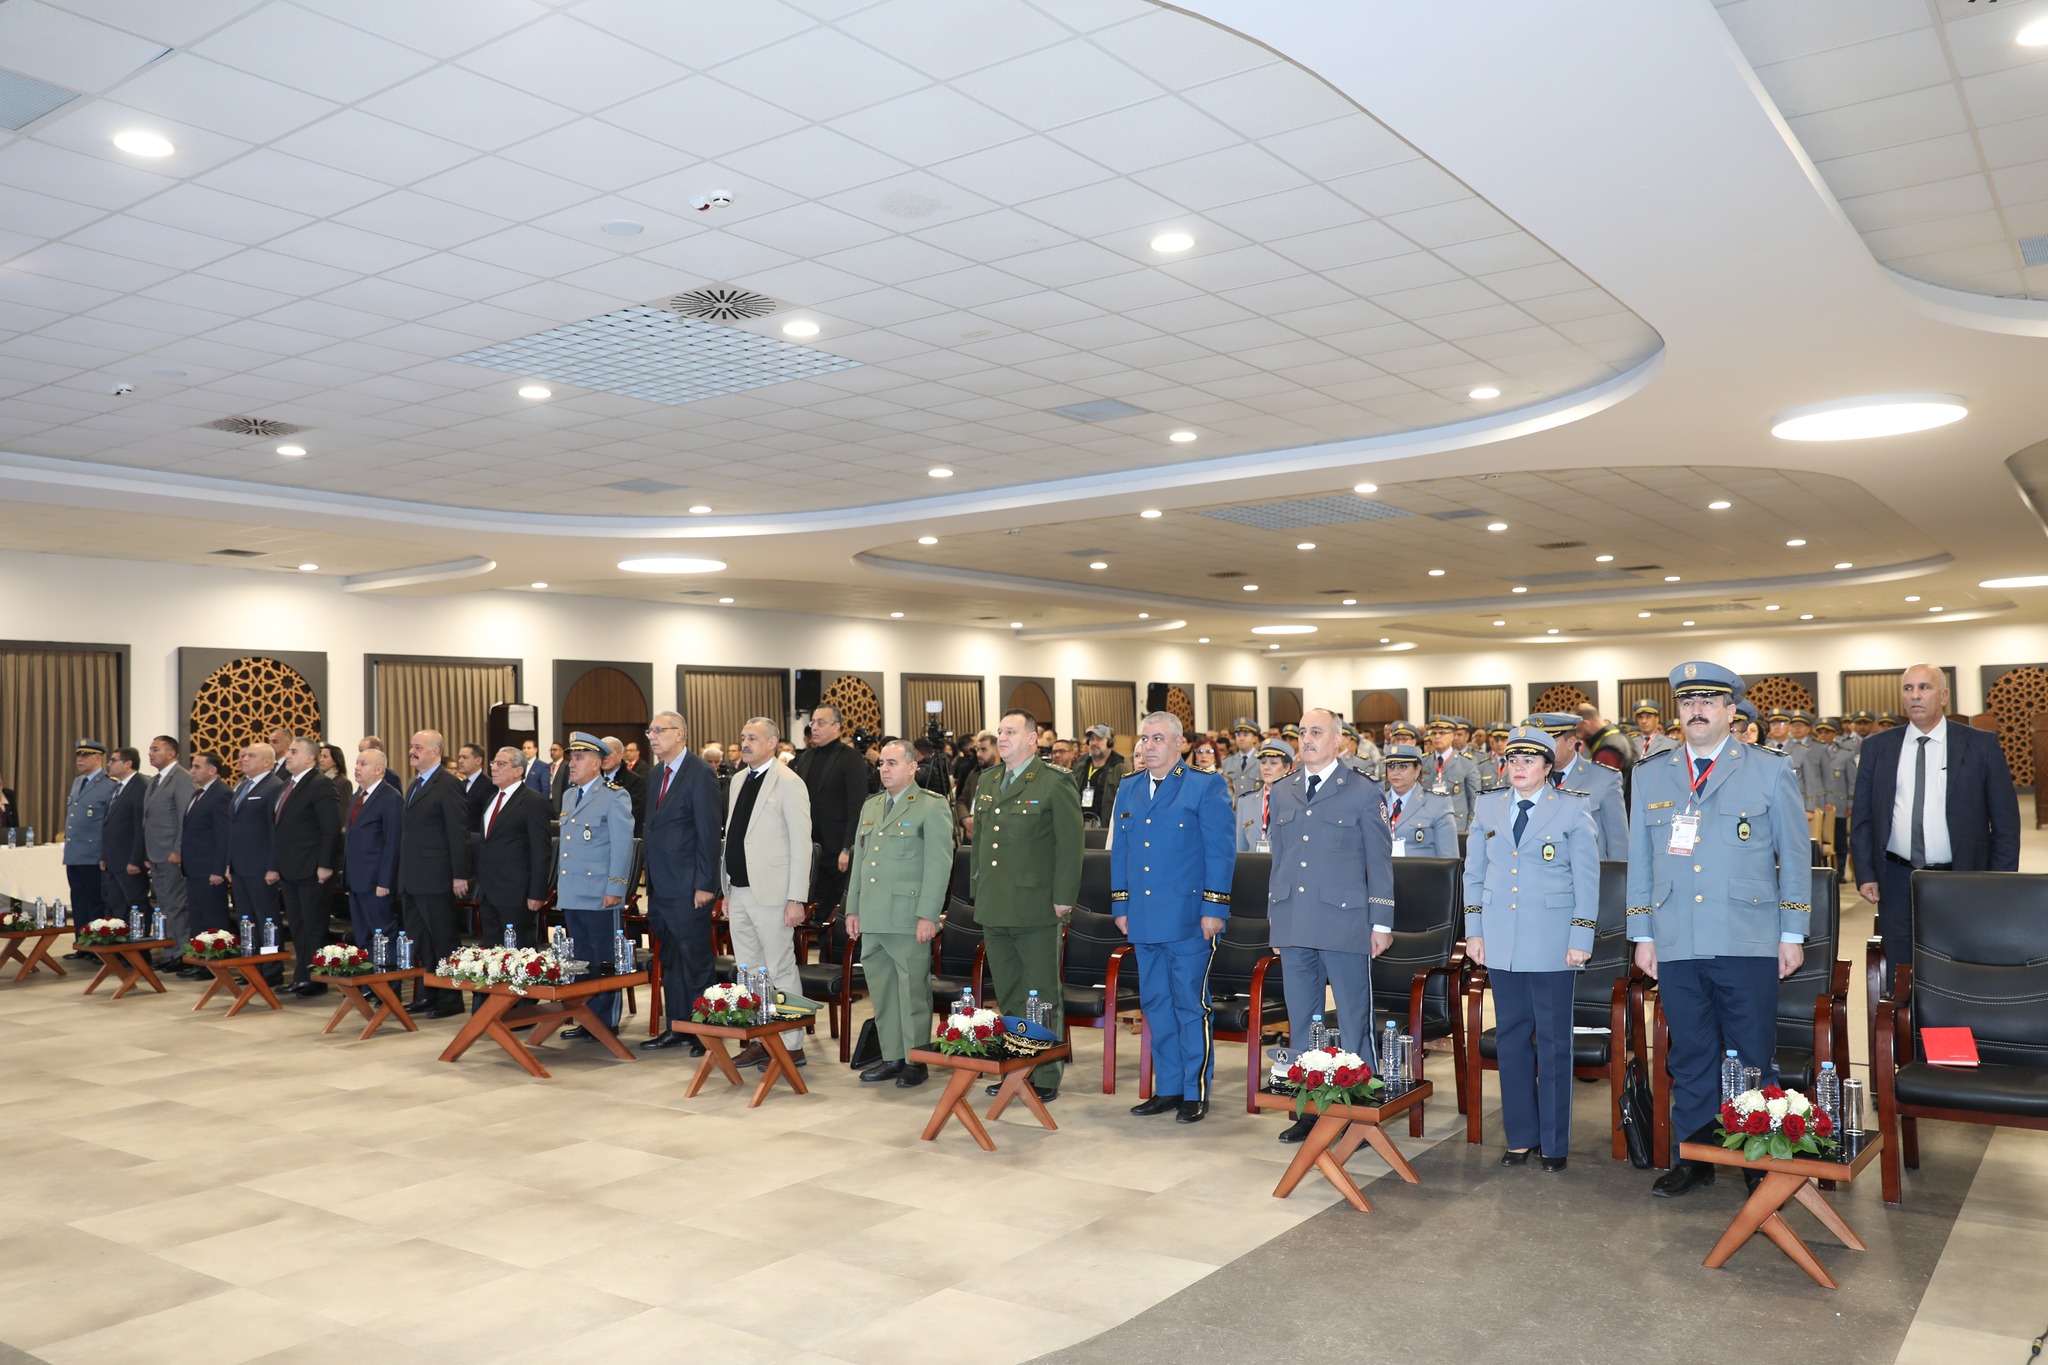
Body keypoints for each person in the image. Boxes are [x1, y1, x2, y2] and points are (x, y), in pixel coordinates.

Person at [1628, 661, 1809, 1198]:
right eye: (1687, 702)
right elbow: (1641, 861)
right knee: (1690, 1054)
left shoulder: (1769, 769)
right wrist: (1642, 933)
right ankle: (1696, 1157)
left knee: (1752, 1053)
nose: (1697, 711)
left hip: (1746, 934)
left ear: (1732, 711)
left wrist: (1792, 932)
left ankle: (1760, 1160)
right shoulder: (1650, 773)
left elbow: (1795, 856)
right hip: (1676, 934)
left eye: (1708, 701)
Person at [1464, 726, 1600, 1172]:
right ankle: (1521, 1136)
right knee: (1511, 1038)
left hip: (1553, 943)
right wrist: (1475, 931)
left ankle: (1554, 1143)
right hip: (1500, 940)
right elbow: (1474, 874)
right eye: (1512, 759)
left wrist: (1581, 938)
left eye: (1528, 760)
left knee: (1555, 1041)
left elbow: (1587, 879)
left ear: (1547, 766)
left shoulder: (1572, 808)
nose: (1518, 767)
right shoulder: (1488, 805)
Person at [1266, 708, 1396, 1143]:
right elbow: (1279, 861)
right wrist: (1276, 921)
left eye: (1316, 732)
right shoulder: (1283, 791)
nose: (1306, 739)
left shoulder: (1363, 790)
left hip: (1345, 922)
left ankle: (1358, 1116)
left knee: (1354, 1020)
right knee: (1303, 1020)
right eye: (1302, 732)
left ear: (1338, 741)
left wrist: (1381, 922)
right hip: (1295, 920)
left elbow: (1379, 862)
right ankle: (1310, 1112)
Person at [1851, 663, 2020, 989]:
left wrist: (1999, 881)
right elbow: (1863, 817)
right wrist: (1866, 872)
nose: (1915, 695)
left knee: (1959, 966)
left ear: (1943, 695)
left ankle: (1954, 1021)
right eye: (1908, 688)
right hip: (1896, 877)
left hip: (1962, 876)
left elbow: (2005, 823)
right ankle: (1906, 1022)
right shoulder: (1877, 747)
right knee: (1901, 970)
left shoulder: (1980, 744)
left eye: (1924, 687)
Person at [1112, 712, 1234, 1124]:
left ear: (1179, 744)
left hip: (1188, 919)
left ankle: (1194, 1090)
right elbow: (1122, 853)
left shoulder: (1204, 785)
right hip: (1144, 918)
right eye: (1145, 738)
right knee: (1156, 1004)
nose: (1148, 746)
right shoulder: (1129, 787)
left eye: (1158, 738)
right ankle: (1167, 1087)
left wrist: (1214, 909)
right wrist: (1121, 905)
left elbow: (1220, 852)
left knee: (1189, 1004)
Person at [970, 708, 1082, 1102]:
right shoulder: (988, 779)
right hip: (995, 903)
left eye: (1011, 732)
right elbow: (980, 842)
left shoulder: (1054, 781)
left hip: (1036, 906)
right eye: (1000, 732)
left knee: (1040, 993)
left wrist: (1063, 898)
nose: (1002, 738)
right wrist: (977, 889)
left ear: (1033, 739)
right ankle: (1017, 1068)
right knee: (1009, 993)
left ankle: (1045, 1073)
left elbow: (1070, 845)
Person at [847, 738, 952, 1088]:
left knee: (912, 992)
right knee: (882, 991)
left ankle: (916, 1060)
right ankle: (892, 1056)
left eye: (892, 763)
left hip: (908, 916)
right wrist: (853, 909)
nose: (884, 769)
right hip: (874, 915)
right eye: (881, 763)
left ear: (912, 767)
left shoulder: (930, 806)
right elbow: (861, 863)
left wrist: (929, 915)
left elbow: (939, 865)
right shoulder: (872, 805)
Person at [722, 717, 813, 1069]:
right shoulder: (738, 779)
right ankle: (762, 1038)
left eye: (753, 738)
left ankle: (791, 1044)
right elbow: (734, 836)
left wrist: (796, 898)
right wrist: (726, 889)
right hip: (740, 889)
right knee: (749, 971)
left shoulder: (789, 782)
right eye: (743, 737)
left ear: (772, 742)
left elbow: (801, 844)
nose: (745, 743)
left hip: (774, 893)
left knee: (780, 969)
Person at [639, 712, 722, 1057]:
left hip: (689, 886)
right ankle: (678, 1026)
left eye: (659, 730)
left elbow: (708, 832)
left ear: (680, 734)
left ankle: (706, 1033)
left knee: (696, 960)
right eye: (650, 730)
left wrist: (705, 884)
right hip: (660, 885)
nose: (652, 736)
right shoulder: (656, 773)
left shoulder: (699, 772)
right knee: (672, 959)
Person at [555, 733, 636, 1039]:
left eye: (579, 758)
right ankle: (585, 1018)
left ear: (597, 764)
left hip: (600, 892)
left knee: (604, 959)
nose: (572, 764)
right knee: (581, 959)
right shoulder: (569, 795)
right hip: (573, 891)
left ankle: (605, 1022)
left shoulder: (615, 796)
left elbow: (622, 847)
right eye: (571, 758)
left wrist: (616, 887)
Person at [397, 730, 469, 1018]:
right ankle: (429, 993)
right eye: (411, 746)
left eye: (418, 747)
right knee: (421, 938)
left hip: (436, 876)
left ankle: (450, 999)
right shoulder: (414, 784)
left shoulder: (448, 784)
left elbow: (458, 832)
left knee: (443, 939)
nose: (412, 751)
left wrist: (460, 874)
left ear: (435, 751)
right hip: (412, 877)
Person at [270, 739, 340, 996]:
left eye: (294, 751)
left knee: (313, 926)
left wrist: (325, 865)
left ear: (310, 758)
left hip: (312, 869)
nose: (287, 756)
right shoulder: (288, 785)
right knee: (298, 926)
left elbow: (331, 829)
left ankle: (316, 980)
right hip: (291, 869)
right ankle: (301, 977)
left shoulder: (320, 784)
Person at [792, 705, 867, 920]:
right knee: (811, 907)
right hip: (809, 847)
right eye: (813, 723)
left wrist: (847, 848)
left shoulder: (851, 758)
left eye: (821, 723)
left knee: (834, 911)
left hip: (837, 850)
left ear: (837, 727)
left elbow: (857, 807)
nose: (814, 727)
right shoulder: (805, 758)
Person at [476, 746, 549, 955]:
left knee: (519, 956)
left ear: (518, 770)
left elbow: (541, 851)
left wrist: (537, 893)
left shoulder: (533, 801)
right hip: (489, 891)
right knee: (492, 955)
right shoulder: (492, 799)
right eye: (493, 763)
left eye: (501, 764)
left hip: (517, 894)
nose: (494, 768)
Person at [1529, 713, 1627, 860]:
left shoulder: (1604, 779)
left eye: (1550, 742)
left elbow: (1619, 844)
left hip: (1587, 871)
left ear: (1570, 743)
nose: (1543, 749)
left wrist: (1616, 874)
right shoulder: (1531, 780)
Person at [225, 743, 284, 972]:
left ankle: (270, 967)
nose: (244, 759)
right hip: (240, 866)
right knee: (246, 920)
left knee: (266, 919)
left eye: (251, 756)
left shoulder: (274, 786)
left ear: (267, 762)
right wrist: (229, 862)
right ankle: (251, 966)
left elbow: (275, 830)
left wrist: (273, 866)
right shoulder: (243, 785)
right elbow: (233, 828)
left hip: (261, 867)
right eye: (244, 755)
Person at [176, 750, 232, 976]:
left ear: (212, 770)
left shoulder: (221, 794)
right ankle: (200, 963)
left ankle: (216, 964)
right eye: (192, 766)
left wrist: (218, 869)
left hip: (210, 869)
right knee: (198, 918)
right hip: (195, 868)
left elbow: (223, 835)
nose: (192, 770)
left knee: (213, 918)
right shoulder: (198, 793)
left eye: (197, 766)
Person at [141, 735, 194, 970]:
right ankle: (170, 951)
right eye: (150, 749)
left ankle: (181, 954)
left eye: (156, 749)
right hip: (156, 854)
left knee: (176, 906)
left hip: (172, 854)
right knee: (164, 906)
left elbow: (185, 818)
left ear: (171, 753)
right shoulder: (155, 780)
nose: (150, 753)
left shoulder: (181, 778)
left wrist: (179, 850)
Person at [60, 739, 114, 957]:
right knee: (79, 900)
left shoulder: (109, 785)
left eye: (85, 755)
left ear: (98, 758)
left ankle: (97, 947)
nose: (80, 759)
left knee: (95, 901)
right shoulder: (78, 781)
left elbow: (109, 824)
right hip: (75, 853)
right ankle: (82, 944)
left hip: (93, 854)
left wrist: (105, 854)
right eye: (78, 756)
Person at [344, 747, 401, 949]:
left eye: (363, 764)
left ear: (378, 770)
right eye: (357, 763)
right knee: (362, 935)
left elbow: (392, 843)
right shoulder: (357, 796)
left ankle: (387, 971)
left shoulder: (390, 797)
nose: (356, 768)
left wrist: (385, 881)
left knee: (383, 934)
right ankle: (368, 971)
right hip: (356, 881)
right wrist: (347, 880)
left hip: (376, 882)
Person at [99, 747, 149, 929]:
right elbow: (109, 825)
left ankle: (140, 943)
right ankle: (122, 943)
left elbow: (140, 827)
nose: (109, 764)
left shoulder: (140, 787)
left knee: (136, 905)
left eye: (113, 760)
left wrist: (136, 860)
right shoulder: (117, 787)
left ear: (128, 764)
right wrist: (104, 856)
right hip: (113, 860)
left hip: (129, 861)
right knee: (117, 906)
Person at [1381, 743, 1459, 858]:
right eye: (1391, 766)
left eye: (1402, 766)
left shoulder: (1438, 804)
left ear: (1417, 770)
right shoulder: (1376, 802)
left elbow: (1449, 858)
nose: (1395, 772)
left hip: (1420, 869)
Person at [1235, 738, 1294, 853]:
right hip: (1253, 864)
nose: (1266, 767)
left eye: (1273, 763)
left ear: (1287, 768)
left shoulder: (1296, 801)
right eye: (1263, 762)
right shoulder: (1245, 801)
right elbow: (1240, 848)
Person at [1423, 716, 1478, 833]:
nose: (1437, 737)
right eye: (1434, 733)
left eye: (1442, 733)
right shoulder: (1423, 762)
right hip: (1427, 825)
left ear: (1452, 736)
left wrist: (1471, 825)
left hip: (1457, 826)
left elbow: (1474, 798)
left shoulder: (1466, 762)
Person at [1073, 723, 1125, 826]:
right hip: (1080, 828)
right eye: (1092, 739)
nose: (1094, 743)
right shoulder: (1080, 768)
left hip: (1106, 829)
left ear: (1110, 742)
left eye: (1099, 739)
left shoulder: (1120, 770)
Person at [954, 731, 998, 838]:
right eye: (978, 750)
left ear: (997, 751)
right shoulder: (974, 775)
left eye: (983, 750)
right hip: (971, 835)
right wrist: (965, 820)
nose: (978, 754)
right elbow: (961, 801)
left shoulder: (1007, 776)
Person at [599, 736, 647, 826]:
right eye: (601, 753)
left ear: (620, 755)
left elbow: (631, 816)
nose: (604, 757)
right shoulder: (592, 779)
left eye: (608, 753)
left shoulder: (635, 781)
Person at [1219, 718, 1262, 799]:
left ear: (1255, 739)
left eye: (1245, 735)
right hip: (1233, 806)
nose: (1241, 738)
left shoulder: (1262, 761)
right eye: (1238, 735)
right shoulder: (1226, 762)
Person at [454, 742, 491, 829]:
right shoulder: (459, 784)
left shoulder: (489, 785)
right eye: (459, 757)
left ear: (478, 760)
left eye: (465, 757)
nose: (460, 761)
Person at [317, 743, 352, 823]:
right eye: (321, 756)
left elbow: (343, 813)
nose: (321, 760)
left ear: (335, 761)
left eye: (325, 757)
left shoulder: (343, 783)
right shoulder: (320, 780)